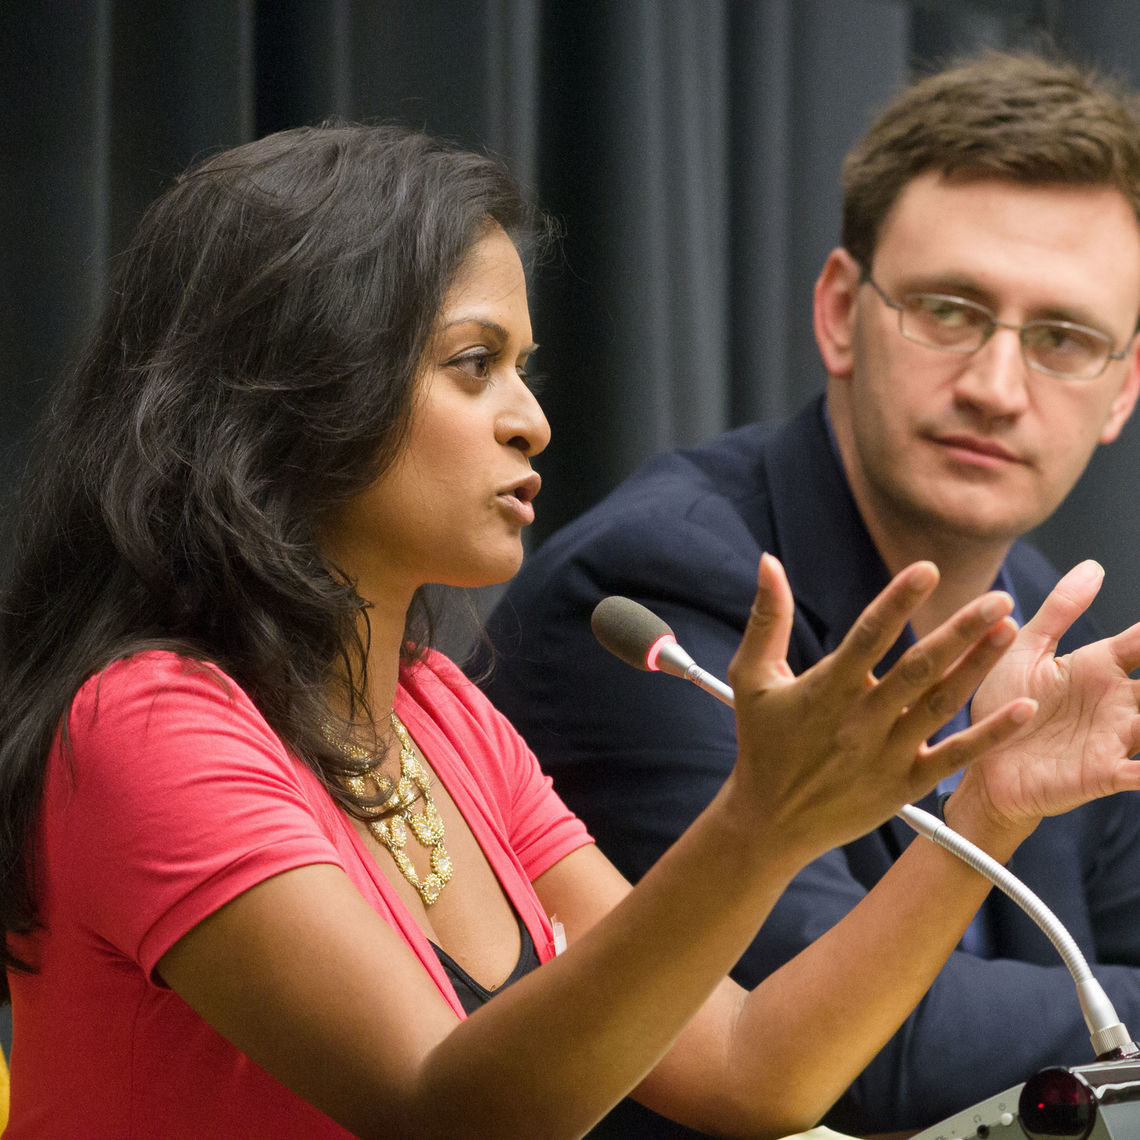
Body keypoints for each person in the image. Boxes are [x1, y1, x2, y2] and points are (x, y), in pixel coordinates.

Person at [0, 123, 1134, 1140]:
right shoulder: (148, 721)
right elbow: (445, 1113)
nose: (533, 420)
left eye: (525, 370)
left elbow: (753, 1070)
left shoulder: (440, 713)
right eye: (473, 365)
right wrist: (758, 823)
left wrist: (993, 804)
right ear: (300, 382)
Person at [481, 51, 1140, 1136]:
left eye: (1063, 339)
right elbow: (853, 1052)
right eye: (948, 310)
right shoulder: (667, 590)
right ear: (840, 311)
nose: (994, 385)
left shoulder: (1040, 615)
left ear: (1122, 389)